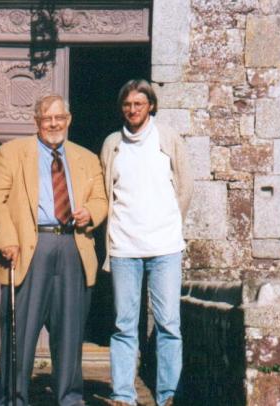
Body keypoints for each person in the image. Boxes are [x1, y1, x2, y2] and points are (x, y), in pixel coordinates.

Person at [0, 94, 108, 406]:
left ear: (69, 119)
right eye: (47, 119)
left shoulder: (87, 158)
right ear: (37, 121)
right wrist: (5, 238)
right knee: (20, 331)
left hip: (72, 245)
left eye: (59, 118)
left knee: (69, 331)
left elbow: (101, 199)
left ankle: (70, 397)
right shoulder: (10, 153)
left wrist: (91, 212)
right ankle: (14, 398)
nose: (54, 124)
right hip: (27, 247)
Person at [100, 79, 194, 406]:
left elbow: (185, 188)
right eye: (127, 104)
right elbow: (105, 192)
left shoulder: (167, 139)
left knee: (169, 323)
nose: (132, 110)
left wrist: (166, 224)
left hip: (165, 247)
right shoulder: (113, 144)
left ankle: (168, 396)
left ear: (150, 105)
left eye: (139, 104)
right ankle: (123, 396)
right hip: (124, 247)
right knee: (125, 325)